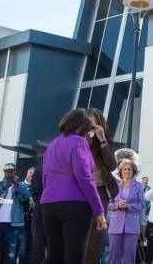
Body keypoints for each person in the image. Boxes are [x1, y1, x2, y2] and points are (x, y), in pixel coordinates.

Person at [41, 108, 106, 263]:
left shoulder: (52, 145)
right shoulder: (79, 142)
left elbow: (45, 176)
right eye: (89, 129)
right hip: (75, 205)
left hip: (49, 204)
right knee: (73, 256)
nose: (89, 133)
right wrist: (99, 210)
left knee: (54, 256)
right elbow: (84, 178)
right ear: (82, 127)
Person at [85, 107, 119, 264]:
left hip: (99, 192)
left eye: (94, 123)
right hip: (80, 191)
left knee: (95, 239)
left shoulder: (103, 141)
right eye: (88, 123)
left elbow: (112, 166)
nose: (91, 127)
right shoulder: (80, 139)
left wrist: (102, 140)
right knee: (77, 236)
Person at [0, 163, 31, 264]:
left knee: (10, 255)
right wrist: (3, 187)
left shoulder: (19, 185)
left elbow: (26, 197)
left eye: (11, 171)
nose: (9, 174)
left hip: (13, 225)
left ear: (14, 172)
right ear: (4, 172)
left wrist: (17, 185)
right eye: (7, 171)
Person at [108, 160, 144, 264]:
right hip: (115, 225)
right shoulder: (115, 185)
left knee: (130, 258)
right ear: (121, 172)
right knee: (113, 257)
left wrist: (129, 206)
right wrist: (117, 205)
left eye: (129, 169)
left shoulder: (139, 186)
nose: (127, 171)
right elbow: (109, 204)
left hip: (132, 226)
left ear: (133, 172)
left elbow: (141, 205)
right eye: (125, 169)